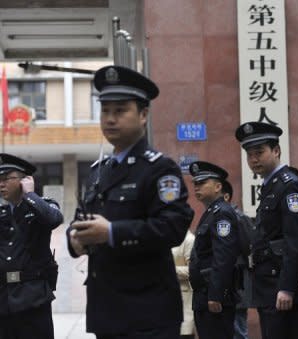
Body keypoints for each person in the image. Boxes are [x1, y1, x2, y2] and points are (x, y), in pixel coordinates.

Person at [66, 65, 194, 338]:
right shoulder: (98, 171)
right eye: (105, 110)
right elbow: (81, 219)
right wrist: (76, 239)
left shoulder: (160, 169)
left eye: (120, 110)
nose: (110, 119)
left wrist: (111, 233)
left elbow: (172, 227)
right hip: (106, 310)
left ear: (144, 114)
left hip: (148, 313)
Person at [235, 122, 298, 339]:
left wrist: (288, 287)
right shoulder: (271, 186)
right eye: (249, 155)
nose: (254, 159)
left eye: (259, 152)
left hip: (282, 289)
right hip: (268, 288)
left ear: (277, 151)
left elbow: (295, 240)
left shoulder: (289, 186)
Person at [0, 154, 63, 339]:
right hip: (3, 298)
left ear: (25, 180)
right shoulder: (2, 213)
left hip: (33, 297)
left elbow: (54, 219)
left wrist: (29, 194)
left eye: (6, 179)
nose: (1, 184)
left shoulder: (43, 206)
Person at [188, 161, 241, 339]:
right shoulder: (210, 212)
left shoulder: (222, 213)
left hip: (214, 296)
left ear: (218, 186)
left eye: (202, 183)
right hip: (204, 294)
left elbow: (223, 256)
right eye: (195, 183)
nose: (197, 187)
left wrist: (216, 294)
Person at [221, 180, 253, 339]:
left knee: (238, 331)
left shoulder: (239, 218)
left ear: (226, 196)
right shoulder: (216, 218)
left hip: (237, 284)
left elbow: (248, 248)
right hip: (223, 286)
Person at [172, 229, 196, 339]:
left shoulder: (189, 240)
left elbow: (193, 270)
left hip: (184, 299)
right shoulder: (164, 237)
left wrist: (168, 269)